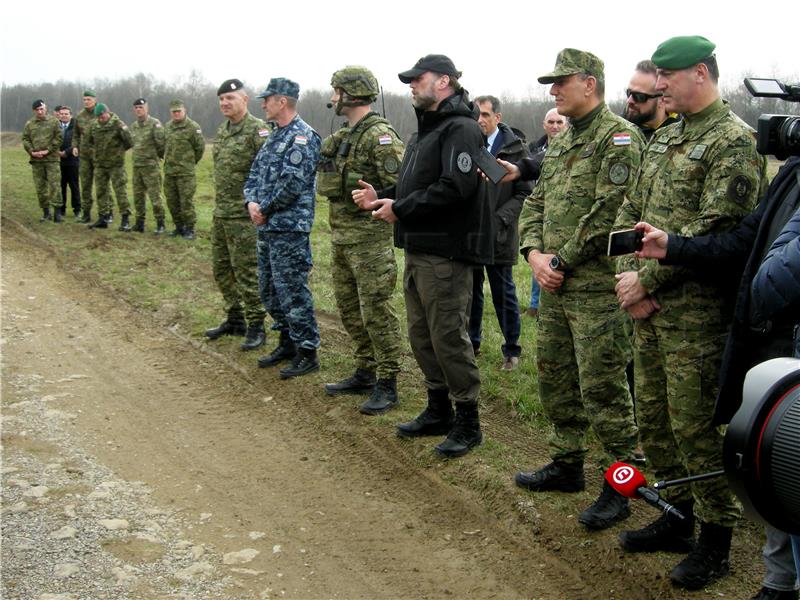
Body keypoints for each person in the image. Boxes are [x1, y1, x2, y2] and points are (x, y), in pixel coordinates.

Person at [613, 35, 766, 589]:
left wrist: (645, 282)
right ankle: (676, 517)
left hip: (695, 318)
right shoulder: (665, 137)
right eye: (658, 78)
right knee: (654, 422)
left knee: (697, 428)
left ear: (700, 73)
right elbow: (633, 211)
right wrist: (626, 281)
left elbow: (718, 232)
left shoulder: (733, 142)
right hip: (647, 308)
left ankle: (715, 542)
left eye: (669, 77)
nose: (659, 87)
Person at [631, 156, 800, 599]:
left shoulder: (729, 143)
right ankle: (778, 583)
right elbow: (747, 239)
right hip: (772, 338)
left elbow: (778, 270)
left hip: (780, 333)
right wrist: (674, 247)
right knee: (780, 461)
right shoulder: (793, 170)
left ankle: (744, 559)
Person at [512, 48, 644, 531]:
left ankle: (620, 485)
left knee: (604, 389)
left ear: (588, 84)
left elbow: (611, 211)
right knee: (556, 379)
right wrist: (534, 255)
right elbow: (535, 203)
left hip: (596, 292)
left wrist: (560, 260)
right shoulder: (565, 141)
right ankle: (567, 464)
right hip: (554, 288)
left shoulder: (620, 139)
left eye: (560, 82)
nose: (553, 91)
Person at [353, 54, 492, 458]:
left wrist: (401, 208)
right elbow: (416, 185)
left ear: (444, 81)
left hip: (447, 253)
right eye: (410, 80)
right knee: (421, 334)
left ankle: (468, 421)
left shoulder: (462, 129)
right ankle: (438, 409)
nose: (411, 85)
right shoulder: (423, 132)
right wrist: (385, 197)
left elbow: (456, 188)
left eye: (419, 78)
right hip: (418, 248)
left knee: (448, 337)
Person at [317, 66, 405, 414]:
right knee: (350, 309)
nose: (333, 97)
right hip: (341, 237)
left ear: (351, 93)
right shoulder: (346, 134)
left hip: (369, 241)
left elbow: (401, 186)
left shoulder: (379, 136)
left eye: (336, 90)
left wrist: (378, 197)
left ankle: (388, 382)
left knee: (376, 311)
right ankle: (365, 370)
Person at [245, 78, 322, 378]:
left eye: (267, 99)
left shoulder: (302, 137)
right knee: (268, 289)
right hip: (266, 226)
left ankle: (307, 351)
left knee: (292, 290)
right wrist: (251, 202)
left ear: (282, 101)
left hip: (289, 228)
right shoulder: (274, 136)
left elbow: (292, 183)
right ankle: (287, 341)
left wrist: (264, 209)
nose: (262, 104)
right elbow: (254, 173)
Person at [205, 79, 271, 352]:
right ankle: (235, 318)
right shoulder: (222, 130)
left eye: (230, 98)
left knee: (247, 272)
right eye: (221, 99)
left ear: (245, 99)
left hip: (244, 217)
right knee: (221, 269)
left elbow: (267, 173)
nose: (224, 103)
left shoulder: (258, 130)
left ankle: (256, 325)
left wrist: (257, 206)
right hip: (222, 213)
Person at [469, 95, 531, 370]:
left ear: (498, 117)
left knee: (502, 292)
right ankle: (472, 342)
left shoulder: (515, 150)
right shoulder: (467, 145)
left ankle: (511, 349)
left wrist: (499, 220)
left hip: (499, 234)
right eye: (477, 115)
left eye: (485, 115)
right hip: (470, 233)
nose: (480, 120)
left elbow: (523, 194)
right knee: (470, 291)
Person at [524, 107, 567, 318]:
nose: (555, 126)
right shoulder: (534, 149)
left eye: (559, 122)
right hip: (539, 211)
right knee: (537, 255)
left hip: (561, 217)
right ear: (544, 125)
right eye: (551, 122)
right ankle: (535, 304)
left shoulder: (571, 148)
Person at [83, 103, 134, 230]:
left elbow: (129, 141)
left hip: (116, 165)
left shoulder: (118, 124)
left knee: (120, 191)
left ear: (107, 112)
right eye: (98, 117)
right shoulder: (94, 126)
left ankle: (125, 219)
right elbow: (87, 142)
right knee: (101, 191)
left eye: (103, 115)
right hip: (100, 165)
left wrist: (118, 152)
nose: (101, 118)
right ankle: (103, 218)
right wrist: (94, 154)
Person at [163, 100, 205, 240]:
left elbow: (199, 148)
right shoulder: (167, 127)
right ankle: (179, 227)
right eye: (173, 112)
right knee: (172, 202)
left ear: (184, 110)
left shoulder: (193, 127)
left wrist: (190, 163)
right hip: (169, 172)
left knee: (186, 202)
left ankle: (190, 228)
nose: (176, 114)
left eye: (178, 111)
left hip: (185, 173)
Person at [22, 99, 63, 222]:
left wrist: (48, 150)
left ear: (46, 109)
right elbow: (25, 139)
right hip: (36, 161)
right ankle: (46, 212)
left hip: (52, 159)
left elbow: (59, 137)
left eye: (42, 109)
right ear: (34, 111)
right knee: (40, 188)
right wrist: (31, 151)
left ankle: (57, 213)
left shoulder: (54, 122)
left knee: (54, 185)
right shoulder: (29, 124)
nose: (40, 112)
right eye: (38, 110)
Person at [130, 98, 166, 234]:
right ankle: (139, 223)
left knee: (155, 197)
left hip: (151, 167)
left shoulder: (155, 124)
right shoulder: (134, 126)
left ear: (147, 108)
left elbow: (161, 144)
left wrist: (155, 158)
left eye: (141, 107)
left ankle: (160, 223)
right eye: (136, 108)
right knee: (138, 197)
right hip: (137, 166)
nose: (139, 110)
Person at [623, 60, 680, 140]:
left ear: (662, 100)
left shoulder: (682, 134)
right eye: (629, 93)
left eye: (639, 97)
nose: (629, 101)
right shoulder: (617, 130)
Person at [73, 90, 98, 223]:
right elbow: (76, 134)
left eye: (88, 99)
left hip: (99, 155)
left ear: (95, 100)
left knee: (102, 185)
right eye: (84, 100)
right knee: (85, 184)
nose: (86, 102)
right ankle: (86, 213)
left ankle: (107, 212)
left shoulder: (101, 112)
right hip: (85, 156)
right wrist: (75, 146)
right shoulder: (80, 116)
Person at [56, 106, 80, 219]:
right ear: (59, 115)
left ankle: (77, 210)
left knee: (74, 186)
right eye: (62, 114)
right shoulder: (55, 126)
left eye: (66, 114)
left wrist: (66, 152)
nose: (64, 115)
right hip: (58, 161)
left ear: (70, 115)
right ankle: (61, 210)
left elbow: (78, 141)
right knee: (61, 186)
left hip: (72, 161)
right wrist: (57, 152)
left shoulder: (76, 126)